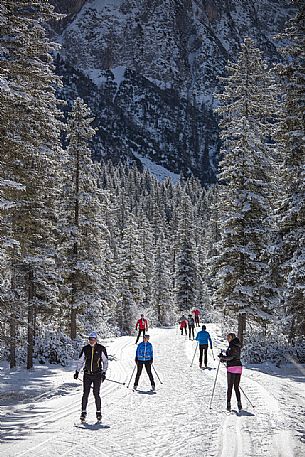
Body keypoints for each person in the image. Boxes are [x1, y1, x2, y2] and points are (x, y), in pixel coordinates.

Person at [74, 331, 108, 422]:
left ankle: (98, 413)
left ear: (96, 339)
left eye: (93, 339)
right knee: (85, 394)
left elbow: (105, 361)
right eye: (90, 339)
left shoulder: (101, 348)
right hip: (87, 374)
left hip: (97, 375)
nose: (91, 341)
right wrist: (77, 371)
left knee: (96, 394)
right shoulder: (85, 349)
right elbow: (81, 361)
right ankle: (83, 413)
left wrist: (104, 372)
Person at [218, 333, 243, 412]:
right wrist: (223, 358)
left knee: (230, 387)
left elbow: (231, 357)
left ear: (232, 338)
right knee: (236, 387)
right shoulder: (237, 345)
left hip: (232, 367)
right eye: (227, 337)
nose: (227, 338)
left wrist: (223, 358)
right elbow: (232, 356)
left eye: (229, 337)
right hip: (238, 367)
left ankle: (228, 404)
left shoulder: (232, 346)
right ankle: (239, 403)